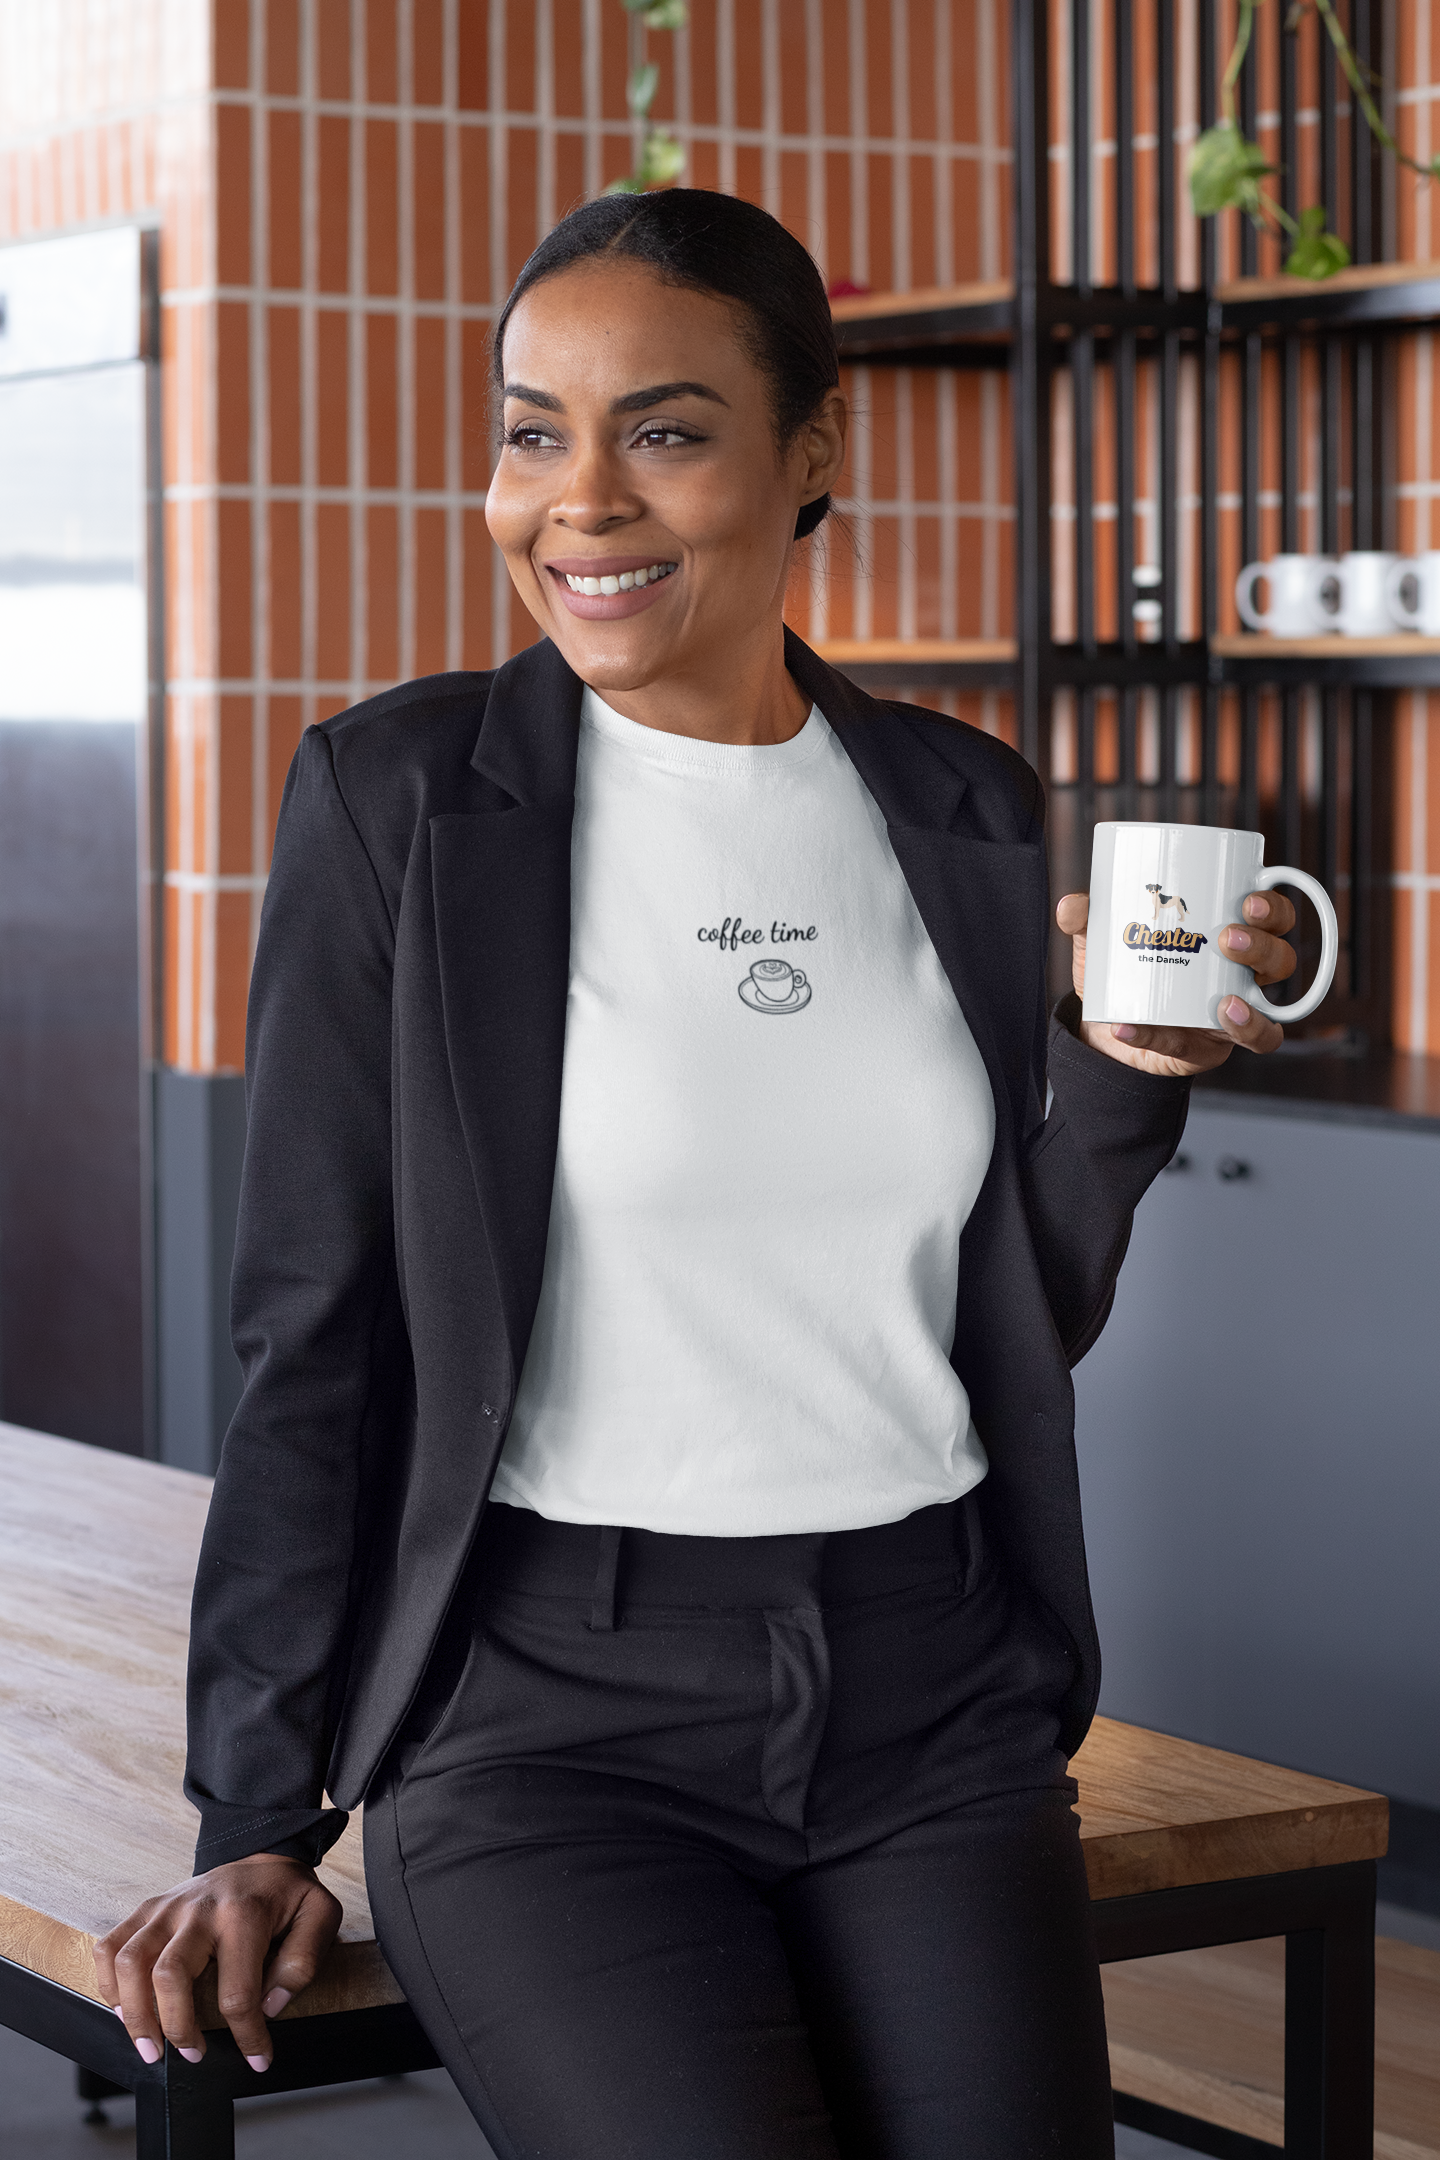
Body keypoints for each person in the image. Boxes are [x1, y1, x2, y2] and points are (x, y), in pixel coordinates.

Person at [97, 190, 1300, 2160]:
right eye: (528, 431)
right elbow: (312, 1329)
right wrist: (260, 1811)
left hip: (937, 1702)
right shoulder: (400, 806)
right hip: (554, 1721)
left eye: (660, 429)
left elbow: (1006, 1315)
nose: (577, 501)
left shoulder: (961, 807)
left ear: (813, 452)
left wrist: (1126, 1078)